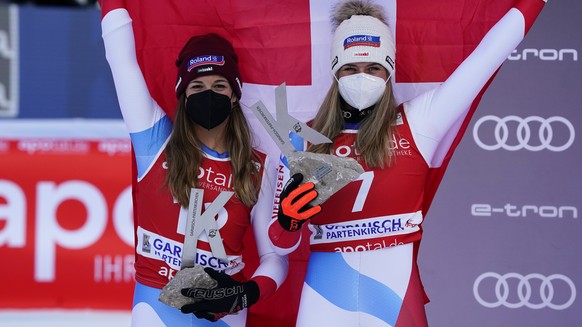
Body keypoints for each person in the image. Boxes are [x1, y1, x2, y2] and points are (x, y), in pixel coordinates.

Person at [268, 0, 547, 326]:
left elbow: (487, 57)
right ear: (335, 71)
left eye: (373, 68)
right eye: (350, 69)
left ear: (388, 70)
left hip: (394, 291)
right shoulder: (302, 140)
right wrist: (288, 222)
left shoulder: (421, 119)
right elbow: (279, 244)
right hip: (325, 294)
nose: (362, 77)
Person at [100, 1, 288, 326]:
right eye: (197, 87)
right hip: (156, 306)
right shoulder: (156, 142)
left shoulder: (256, 167)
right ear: (183, 95)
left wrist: (244, 294)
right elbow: (122, 62)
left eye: (219, 85)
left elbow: (275, 257)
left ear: (234, 95)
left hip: (225, 313)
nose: (208, 94)